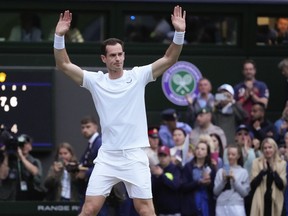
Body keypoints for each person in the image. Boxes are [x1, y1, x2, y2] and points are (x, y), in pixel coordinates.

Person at [53, 5, 186, 216]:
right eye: (112, 55)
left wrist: (179, 33)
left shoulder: (138, 76)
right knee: (89, 209)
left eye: (120, 54)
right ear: (104, 59)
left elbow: (170, 58)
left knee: (145, 210)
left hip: (134, 156)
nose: (117, 58)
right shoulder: (96, 81)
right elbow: (64, 65)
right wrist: (59, 36)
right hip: (107, 156)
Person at [250, 138, 286, 216]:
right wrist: (263, 171)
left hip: (275, 200)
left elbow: (281, 185)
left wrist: (273, 171)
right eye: (265, 148)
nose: (267, 150)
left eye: (270, 147)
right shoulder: (256, 162)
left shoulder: (282, 164)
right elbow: (253, 185)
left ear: (274, 148)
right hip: (260, 199)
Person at [181, 140, 216, 216]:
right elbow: (183, 186)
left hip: (206, 203)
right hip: (191, 204)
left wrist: (209, 183)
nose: (199, 151)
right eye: (197, 148)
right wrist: (198, 182)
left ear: (207, 153)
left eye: (203, 149)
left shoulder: (211, 168)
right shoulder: (188, 166)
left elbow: (215, 189)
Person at [213, 144, 250, 216]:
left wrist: (234, 180)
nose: (230, 157)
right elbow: (215, 192)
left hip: (236, 205)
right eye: (228, 154)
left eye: (233, 154)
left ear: (238, 156)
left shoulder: (243, 172)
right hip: (221, 205)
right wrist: (223, 181)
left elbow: (245, 193)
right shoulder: (220, 171)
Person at [150, 146, 182, 216]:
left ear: (169, 157)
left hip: (174, 211)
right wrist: (157, 177)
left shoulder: (175, 169)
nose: (162, 158)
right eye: (160, 155)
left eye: (165, 155)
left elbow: (175, 185)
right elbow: (152, 189)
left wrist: (162, 175)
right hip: (159, 211)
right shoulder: (155, 169)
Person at [14, 134, 44, 201]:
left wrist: (22, 158)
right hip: (15, 196)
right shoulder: (12, 162)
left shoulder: (35, 161)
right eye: (21, 144)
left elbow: (38, 179)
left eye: (26, 144)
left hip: (31, 196)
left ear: (30, 147)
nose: (24, 146)